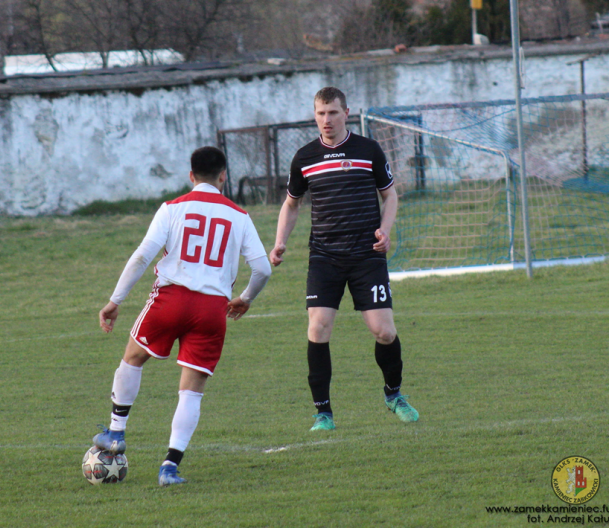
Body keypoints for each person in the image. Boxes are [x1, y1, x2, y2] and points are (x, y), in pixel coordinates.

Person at [93, 146, 271, 486]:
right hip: (211, 310)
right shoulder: (239, 216)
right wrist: (246, 298)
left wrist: (116, 300)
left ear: (191, 176)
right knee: (191, 391)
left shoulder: (172, 208)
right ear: (223, 177)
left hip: (170, 299)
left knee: (132, 358)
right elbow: (262, 269)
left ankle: (116, 433)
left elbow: (143, 255)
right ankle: (170, 467)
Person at [269, 86, 419, 431]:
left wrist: (385, 230)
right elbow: (291, 204)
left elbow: (390, 195)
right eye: (320, 114)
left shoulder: (368, 150)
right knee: (318, 327)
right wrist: (279, 242)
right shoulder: (305, 157)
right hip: (324, 256)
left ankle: (393, 394)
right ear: (315, 116)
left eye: (333, 113)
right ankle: (323, 413)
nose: (326, 120)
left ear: (345, 113)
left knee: (383, 331)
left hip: (367, 256)